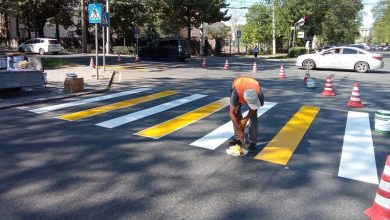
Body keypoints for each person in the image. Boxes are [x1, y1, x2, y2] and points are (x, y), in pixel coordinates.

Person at [226, 76, 265, 156]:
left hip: (250, 89)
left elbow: (254, 108)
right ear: (244, 100)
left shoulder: (260, 95)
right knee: (236, 112)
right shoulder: (236, 94)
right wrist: (239, 131)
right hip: (238, 86)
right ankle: (238, 138)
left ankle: (252, 143)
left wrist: (246, 119)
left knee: (253, 117)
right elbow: (231, 113)